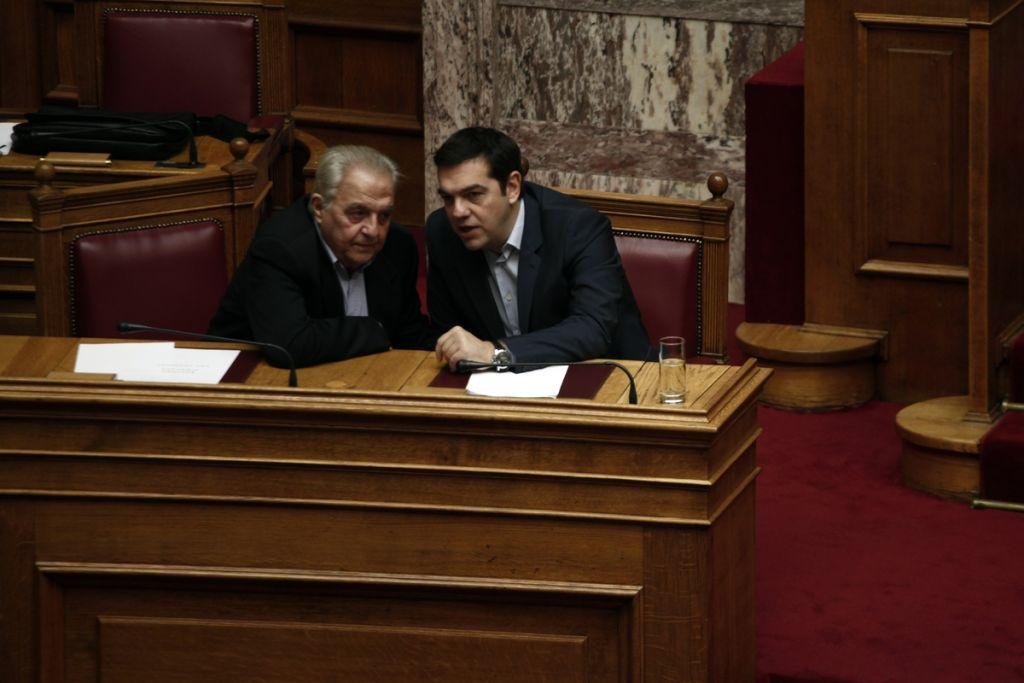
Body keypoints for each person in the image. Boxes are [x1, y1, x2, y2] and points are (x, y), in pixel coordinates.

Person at [426, 126, 651, 370]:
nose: (458, 212)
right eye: (448, 198)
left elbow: (593, 328)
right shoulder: (442, 233)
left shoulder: (577, 227)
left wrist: (497, 353)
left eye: (473, 194)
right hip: (495, 384)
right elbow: (447, 333)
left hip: (607, 375)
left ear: (512, 187)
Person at [208, 145, 435, 367]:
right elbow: (290, 345)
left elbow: (409, 332)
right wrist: (375, 330)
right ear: (319, 207)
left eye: (384, 215)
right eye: (358, 213)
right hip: (249, 376)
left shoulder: (398, 246)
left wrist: (445, 351)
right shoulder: (280, 248)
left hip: (358, 377)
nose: (373, 231)